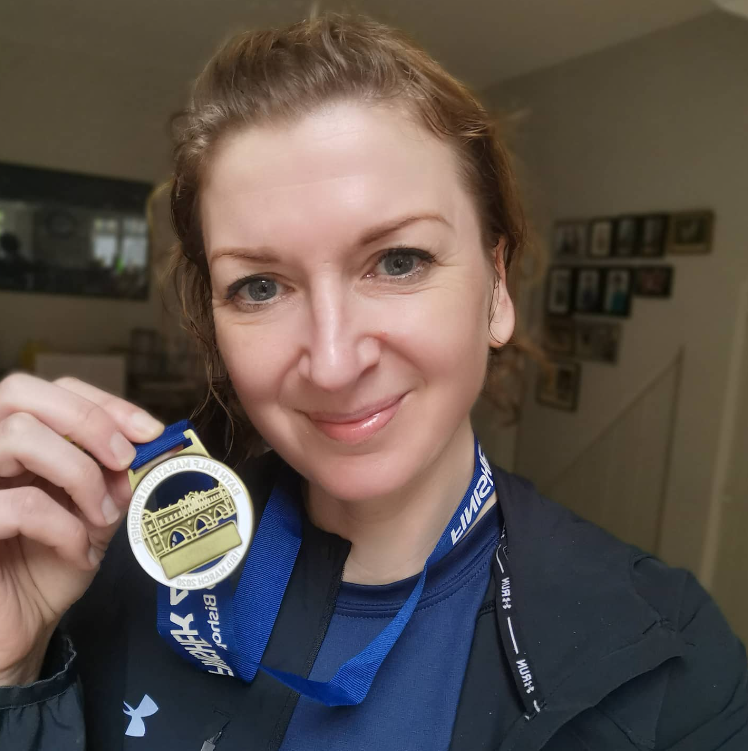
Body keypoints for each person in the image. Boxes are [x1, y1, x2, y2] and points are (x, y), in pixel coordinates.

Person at [1, 13, 746, 751]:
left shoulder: (669, 661)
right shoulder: (114, 570)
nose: (332, 363)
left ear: (498, 287)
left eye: (398, 262)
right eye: (260, 286)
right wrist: (11, 672)